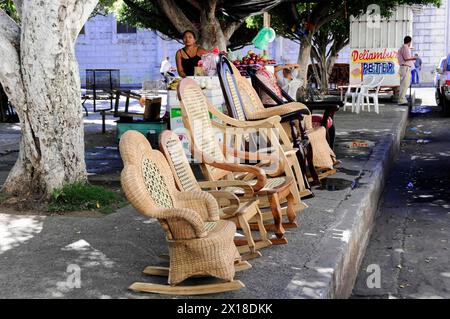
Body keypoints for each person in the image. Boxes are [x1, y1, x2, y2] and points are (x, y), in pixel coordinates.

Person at [397, 36, 417, 105]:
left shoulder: (403, 47)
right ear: (409, 42)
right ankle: (401, 100)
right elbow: (406, 58)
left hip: (404, 67)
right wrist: (414, 58)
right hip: (405, 67)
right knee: (405, 84)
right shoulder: (405, 48)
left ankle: (402, 98)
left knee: (405, 84)